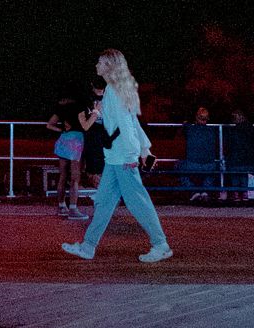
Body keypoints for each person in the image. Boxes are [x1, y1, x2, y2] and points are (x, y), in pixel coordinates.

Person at [62, 49, 172, 263]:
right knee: (104, 202)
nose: (96, 65)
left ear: (109, 66)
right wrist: (144, 150)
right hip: (115, 157)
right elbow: (132, 122)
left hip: (122, 158)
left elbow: (126, 125)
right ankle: (88, 246)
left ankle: (161, 245)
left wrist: (135, 154)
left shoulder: (114, 91)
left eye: (100, 62)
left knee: (138, 202)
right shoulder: (116, 91)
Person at [47, 92, 88, 220]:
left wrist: (61, 130)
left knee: (63, 175)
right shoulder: (81, 107)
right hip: (76, 140)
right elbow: (85, 126)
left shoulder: (61, 109)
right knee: (75, 177)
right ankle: (73, 209)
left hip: (63, 140)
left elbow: (49, 125)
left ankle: (61, 206)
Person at [182, 106, 218, 201]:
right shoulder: (211, 131)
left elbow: (185, 128)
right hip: (209, 164)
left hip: (193, 164)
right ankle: (205, 190)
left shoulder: (190, 129)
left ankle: (194, 191)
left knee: (178, 167)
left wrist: (187, 123)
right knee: (215, 169)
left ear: (197, 118)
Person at [79, 75, 107, 198]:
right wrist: (95, 113)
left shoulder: (109, 98)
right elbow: (85, 125)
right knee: (92, 165)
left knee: (102, 164)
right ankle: (95, 184)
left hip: (106, 135)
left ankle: (102, 191)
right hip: (92, 134)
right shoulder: (87, 100)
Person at [224, 108, 254, 202]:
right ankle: (244, 193)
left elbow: (228, 146)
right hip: (248, 161)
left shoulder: (232, 131)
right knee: (242, 171)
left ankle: (236, 194)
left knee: (235, 168)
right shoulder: (250, 129)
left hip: (236, 161)